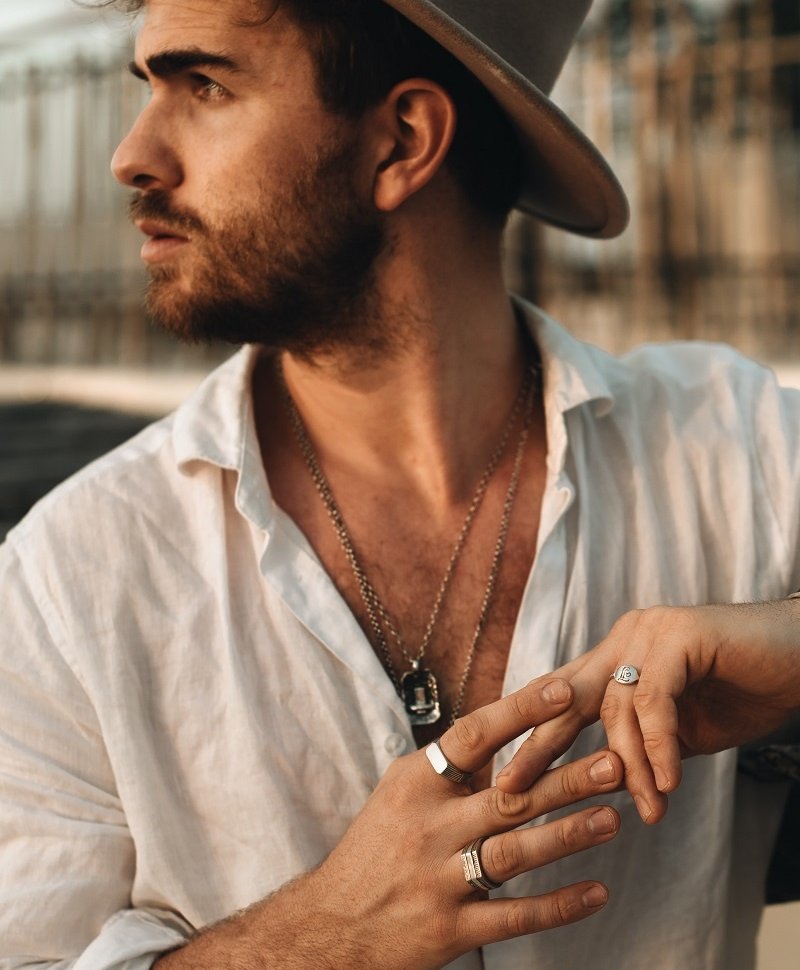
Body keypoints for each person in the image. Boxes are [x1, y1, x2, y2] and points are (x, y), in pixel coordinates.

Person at [0, 0, 798, 968]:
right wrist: (317, 939)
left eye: (205, 86)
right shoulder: (63, 586)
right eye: (149, 89)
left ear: (402, 142)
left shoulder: (737, 455)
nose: (133, 153)